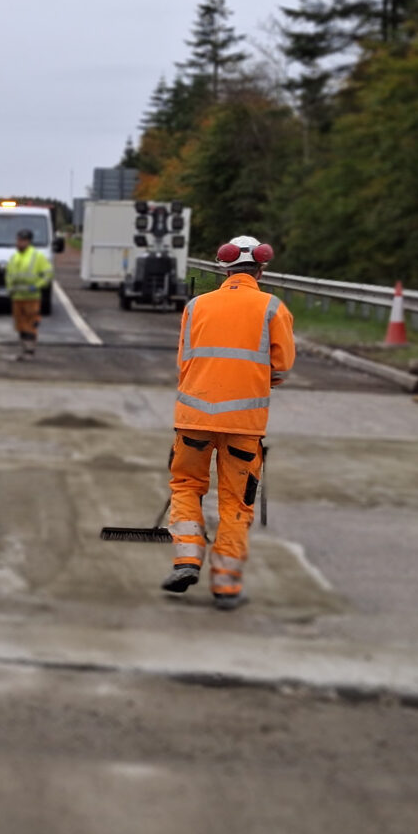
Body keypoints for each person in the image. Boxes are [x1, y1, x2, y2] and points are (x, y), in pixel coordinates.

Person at [164, 235, 295, 610]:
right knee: (236, 502)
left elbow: (184, 362)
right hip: (244, 424)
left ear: (223, 269)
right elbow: (281, 367)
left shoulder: (196, 306)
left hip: (194, 418)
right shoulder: (272, 308)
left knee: (187, 485)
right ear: (261, 269)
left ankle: (187, 559)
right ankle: (225, 585)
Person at [6, 228, 54, 361]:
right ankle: (24, 350)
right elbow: (9, 275)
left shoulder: (37, 256)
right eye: (18, 240)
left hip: (31, 297)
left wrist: (37, 285)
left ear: (28, 242)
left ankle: (29, 350)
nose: (19, 243)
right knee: (20, 325)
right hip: (17, 297)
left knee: (30, 324)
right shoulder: (14, 257)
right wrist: (10, 288)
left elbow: (48, 273)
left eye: (22, 241)